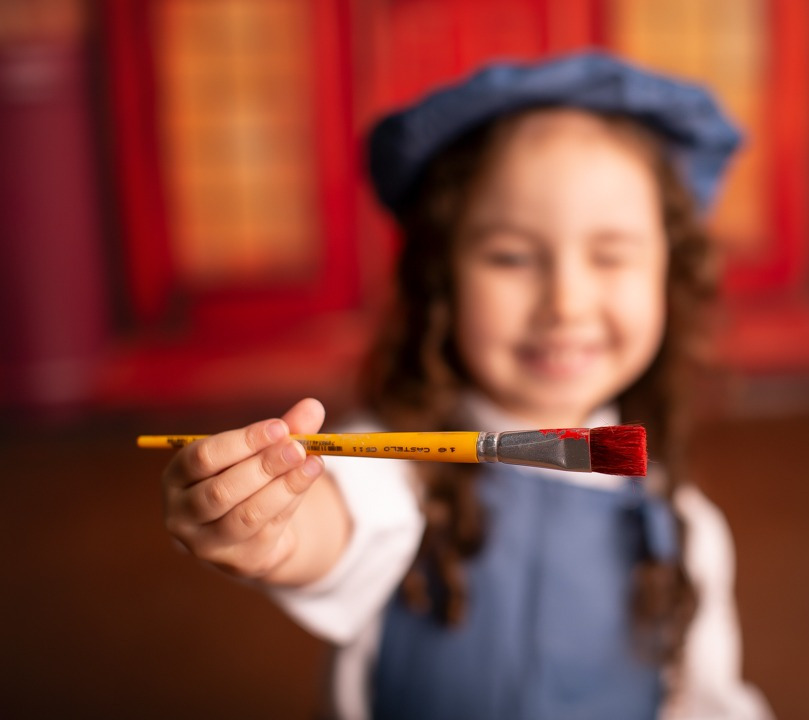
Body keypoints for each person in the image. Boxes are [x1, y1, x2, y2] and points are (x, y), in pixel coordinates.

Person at [160, 52, 772, 720]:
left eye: (611, 255)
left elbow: (706, 702)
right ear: (443, 279)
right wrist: (270, 524)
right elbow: (337, 518)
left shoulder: (687, 528)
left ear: (668, 274)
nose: (565, 303)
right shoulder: (403, 464)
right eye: (510, 256)